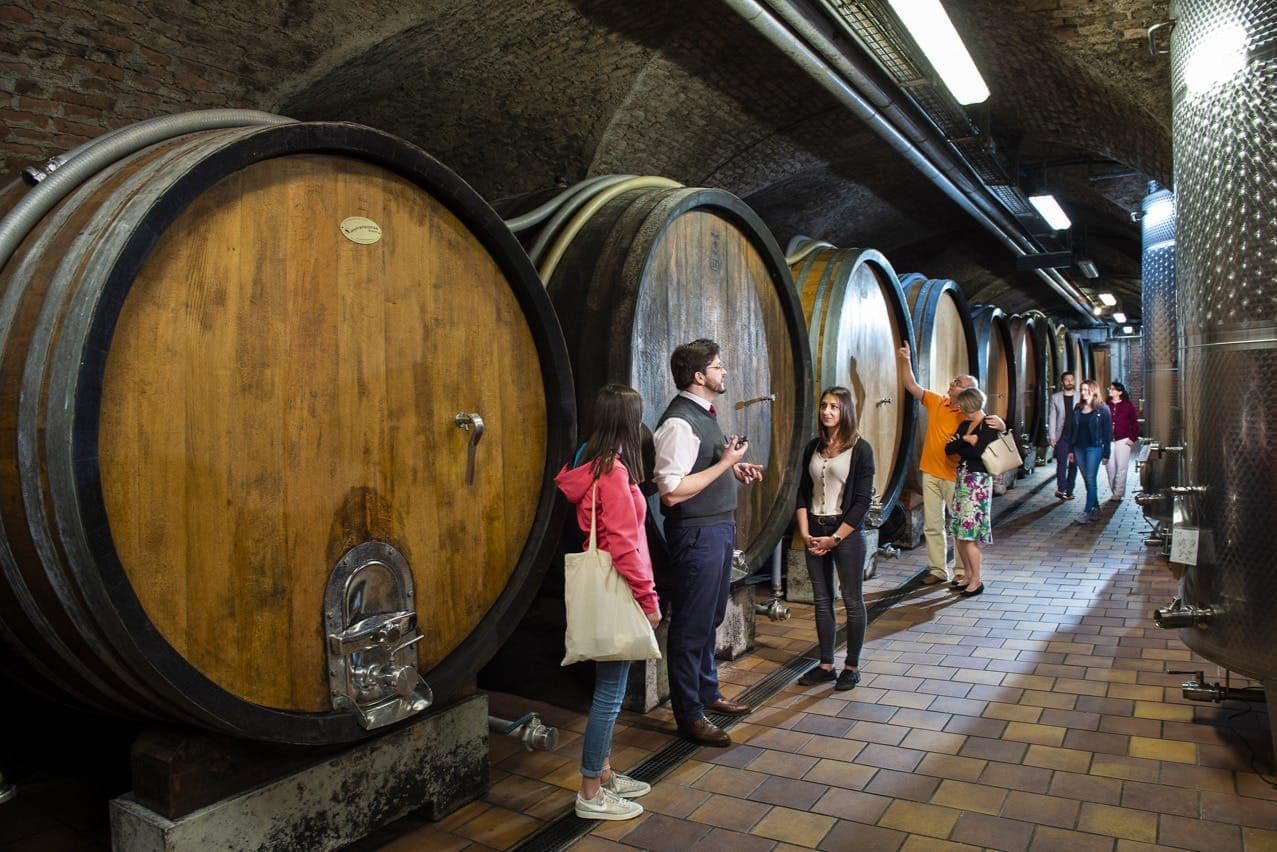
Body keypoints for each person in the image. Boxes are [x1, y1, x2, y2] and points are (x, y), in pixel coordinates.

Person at [555, 384, 662, 821]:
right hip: (619, 588)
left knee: (608, 688)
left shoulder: (586, 458)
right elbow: (623, 546)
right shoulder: (613, 472)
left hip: (606, 586)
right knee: (610, 695)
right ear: (627, 422)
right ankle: (590, 792)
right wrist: (649, 600)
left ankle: (603, 773)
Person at [652, 339, 764, 747]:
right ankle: (689, 715)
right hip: (696, 534)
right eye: (718, 366)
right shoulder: (679, 423)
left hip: (717, 529)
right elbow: (671, 492)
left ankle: (707, 692)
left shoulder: (704, 415)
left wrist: (734, 469)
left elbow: (700, 470)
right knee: (691, 625)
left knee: (712, 615)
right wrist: (725, 464)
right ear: (699, 376)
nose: (724, 371)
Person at [897, 344, 1003, 586]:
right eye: (954, 381)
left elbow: (990, 430)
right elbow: (912, 385)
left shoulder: (969, 415)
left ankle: (961, 571)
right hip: (930, 471)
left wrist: (1002, 424)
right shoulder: (938, 401)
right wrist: (906, 360)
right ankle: (937, 570)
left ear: (968, 392)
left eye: (958, 383)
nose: (951, 384)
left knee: (959, 526)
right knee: (933, 525)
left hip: (957, 476)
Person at [794, 387, 875, 690]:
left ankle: (851, 666)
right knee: (821, 599)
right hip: (814, 528)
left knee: (852, 600)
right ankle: (826, 664)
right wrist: (805, 533)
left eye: (834, 407)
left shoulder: (861, 449)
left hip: (846, 533)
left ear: (846, 411)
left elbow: (862, 502)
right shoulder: (812, 446)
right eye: (824, 405)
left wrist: (835, 539)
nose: (827, 411)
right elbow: (802, 493)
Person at [943, 387, 1001, 597]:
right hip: (963, 480)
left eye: (961, 404)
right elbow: (948, 449)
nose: (958, 407)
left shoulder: (989, 424)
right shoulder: (965, 425)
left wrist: (963, 445)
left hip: (978, 483)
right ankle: (967, 575)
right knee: (960, 534)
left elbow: (979, 452)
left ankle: (976, 580)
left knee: (969, 536)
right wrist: (966, 440)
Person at [1068, 379, 1113, 524]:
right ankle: (1096, 508)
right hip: (1078, 448)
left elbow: (1107, 433)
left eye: (1086, 390)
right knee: (1087, 480)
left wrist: (1106, 453)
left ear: (1093, 391)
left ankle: (1087, 511)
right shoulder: (1077, 408)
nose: (1082, 392)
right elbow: (1072, 430)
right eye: (1081, 389)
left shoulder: (1102, 409)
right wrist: (1070, 450)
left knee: (1090, 478)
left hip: (1094, 448)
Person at [1104, 380, 1140, 502]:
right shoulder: (1105, 405)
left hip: (1123, 440)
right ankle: (1114, 490)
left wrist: (1132, 438)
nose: (1110, 390)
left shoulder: (1127, 406)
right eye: (1110, 388)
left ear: (1119, 392)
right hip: (1108, 440)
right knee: (1110, 468)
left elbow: (1134, 423)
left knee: (1121, 468)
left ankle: (1118, 493)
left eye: (1112, 389)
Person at [1048, 371, 1079, 500]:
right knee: (1061, 463)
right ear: (1062, 382)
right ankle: (1061, 489)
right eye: (1067, 380)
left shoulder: (1080, 396)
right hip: (1062, 436)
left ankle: (1070, 491)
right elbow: (1052, 417)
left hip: (1076, 436)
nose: (1070, 382)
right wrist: (1052, 436)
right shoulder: (1055, 397)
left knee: (1074, 464)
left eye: (1072, 379)